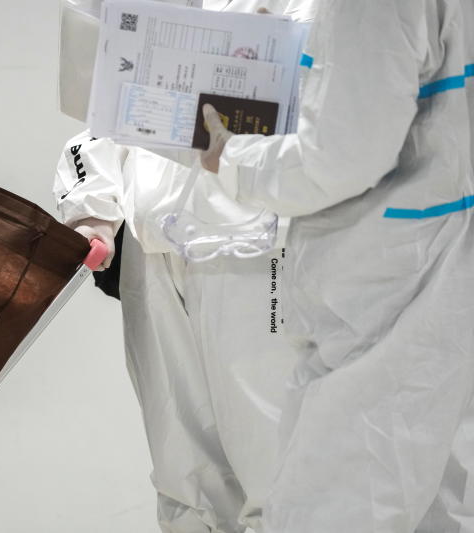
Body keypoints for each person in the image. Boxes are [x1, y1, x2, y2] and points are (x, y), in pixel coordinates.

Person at [200, 1, 474, 532]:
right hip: (435, 257)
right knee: (438, 496)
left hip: (386, 283)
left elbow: (341, 155)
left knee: (340, 500)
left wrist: (233, 159)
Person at [55, 3, 316, 531]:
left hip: (251, 248)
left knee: (275, 456)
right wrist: (92, 211)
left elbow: (341, 113)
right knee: (181, 464)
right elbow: (102, 118)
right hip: (153, 253)